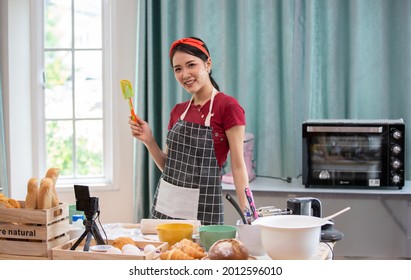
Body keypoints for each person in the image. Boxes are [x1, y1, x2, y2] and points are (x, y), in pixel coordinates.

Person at [129, 37, 249, 225]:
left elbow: (238, 167)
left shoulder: (228, 106)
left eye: (191, 65)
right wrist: (149, 140)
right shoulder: (178, 111)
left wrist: (248, 214)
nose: (185, 74)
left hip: (204, 210)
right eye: (178, 69)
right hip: (167, 207)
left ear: (208, 64)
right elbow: (170, 168)